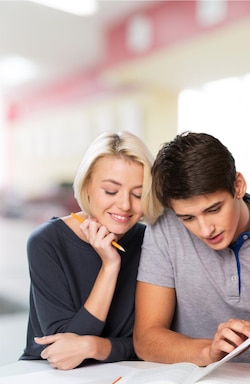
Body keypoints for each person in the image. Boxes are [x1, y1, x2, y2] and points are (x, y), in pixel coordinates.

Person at [133, 131, 250, 378]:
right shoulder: (165, 230)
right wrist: (208, 352)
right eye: (188, 218)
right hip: (197, 382)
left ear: (238, 186)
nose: (205, 229)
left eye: (214, 209)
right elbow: (145, 339)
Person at [21, 131, 161, 370]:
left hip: (120, 376)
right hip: (44, 377)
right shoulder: (47, 241)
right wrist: (110, 266)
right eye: (110, 191)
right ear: (86, 187)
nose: (125, 205)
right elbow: (64, 350)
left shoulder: (150, 241)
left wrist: (93, 347)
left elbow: (147, 345)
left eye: (138, 194)